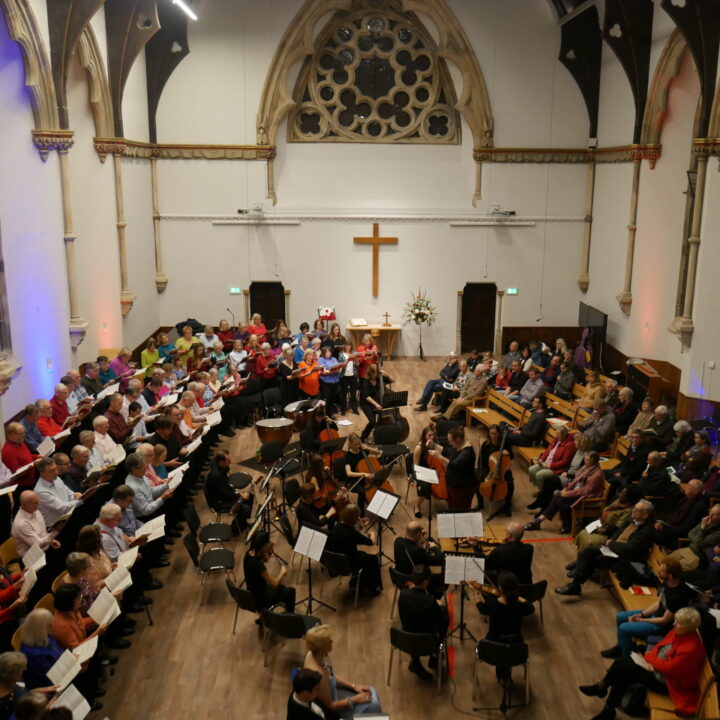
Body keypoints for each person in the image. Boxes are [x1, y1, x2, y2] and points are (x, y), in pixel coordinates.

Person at [579, 607, 705, 720]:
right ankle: (607, 707)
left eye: (679, 623)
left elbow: (668, 668)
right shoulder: (679, 632)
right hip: (656, 669)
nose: (674, 624)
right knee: (624, 672)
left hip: (668, 683)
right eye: (676, 620)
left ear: (689, 627)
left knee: (622, 664)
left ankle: (601, 690)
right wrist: (651, 656)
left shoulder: (690, 648)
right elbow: (660, 645)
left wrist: (650, 659)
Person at [600, 557, 697, 659]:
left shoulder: (678, 596)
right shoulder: (668, 582)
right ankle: (620, 648)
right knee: (620, 616)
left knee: (624, 628)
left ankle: (626, 659)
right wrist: (642, 614)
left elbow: (664, 620)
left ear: (671, 576)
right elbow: (659, 603)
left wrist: (641, 620)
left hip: (660, 627)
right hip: (655, 615)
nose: (659, 571)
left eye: (662, 571)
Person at [555, 500, 655, 596]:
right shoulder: (631, 519)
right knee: (587, 551)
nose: (633, 510)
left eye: (637, 510)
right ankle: (576, 582)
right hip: (614, 549)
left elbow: (629, 549)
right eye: (634, 508)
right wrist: (610, 542)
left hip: (625, 558)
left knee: (595, 559)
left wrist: (611, 544)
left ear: (645, 515)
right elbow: (618, 532)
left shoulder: (645, 532)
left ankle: (577, 577)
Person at [304, 624, 381, 719]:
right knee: (374, 703)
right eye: (329, 641)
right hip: (334, 708)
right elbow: (330, 706)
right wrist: (356, 699)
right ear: (322, 647)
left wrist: (354, 686)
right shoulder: (318, 674)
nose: (332, 641)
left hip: (334, 692)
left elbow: (331, 676)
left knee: (372, 690)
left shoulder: (313, 654)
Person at [524, 450, 604, 534]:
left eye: (587, 460)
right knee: (558, 496)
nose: (585, 461)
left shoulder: (597, 475)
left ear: (593, 461)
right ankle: (543, 522)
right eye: (585, 459)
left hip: (586, 498)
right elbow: (576, 480)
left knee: (560, 499)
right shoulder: (587, 467)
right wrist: (566, 489)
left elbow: (585, 492)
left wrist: (568, 493)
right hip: (577, 492)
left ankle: (542, 522)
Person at [473, 571, 534, 681]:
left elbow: (482, 608)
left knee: (499, 649)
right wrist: (517, 597)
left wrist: (477, 598)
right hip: (516, 647)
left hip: (492, 647)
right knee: (507, 649)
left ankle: (502, 674)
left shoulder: (493, 604)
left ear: (500, 588)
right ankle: (505, 675)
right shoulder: (520, 605)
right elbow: (530, 608)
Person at [398, 565, 449, 681]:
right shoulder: (430, 601)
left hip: (405, 637)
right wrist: (439, 606)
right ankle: (435, 655)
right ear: (425, 581)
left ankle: (415, 661)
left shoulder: (403, 594)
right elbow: (442, 621)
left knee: (413, 621)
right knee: (445, 617)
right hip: (426, 642)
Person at [327, 504, 381, 596]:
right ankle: (374, 588)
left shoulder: (337, 526)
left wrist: (359, 525)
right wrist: (372, 534)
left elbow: (353, 537)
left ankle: (355, 582)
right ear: (354, 519)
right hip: (350, 562)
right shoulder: (351, 533)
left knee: (363, 554)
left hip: (337, 560)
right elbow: (370, 542)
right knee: (373, 559)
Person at [243, 530, 295, 612]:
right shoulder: (258, 565)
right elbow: (274, 584)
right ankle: (289, 618)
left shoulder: (248, 553)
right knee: (290, 591)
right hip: (261, 598)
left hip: (252, 593)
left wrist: (268, 552)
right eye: (268, 543)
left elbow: (264, 559)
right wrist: (282, 572)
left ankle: (265, 617)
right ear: (263, 545)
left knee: (282, 588)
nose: (270, 544)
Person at [429, 426, 476, 511]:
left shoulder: (467, 453)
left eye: (451, 441)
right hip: (453, 485)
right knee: (452, 508)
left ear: (458, 439)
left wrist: (439, 457)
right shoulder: (458, 446)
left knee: (460, 511)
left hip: (462, 489)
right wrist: (434, 444)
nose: (450, 443)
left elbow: (453, 465)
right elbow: (446, 451)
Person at [206, 451, 253, 533]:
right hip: (218, 502)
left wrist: (236, 493)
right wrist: (239, 494)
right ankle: (235, 528)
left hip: (223, 494)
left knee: (250, 496)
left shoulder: (222, 466)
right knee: (245, 508)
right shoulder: (216, 475)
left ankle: (242, 523)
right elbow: (223, 493)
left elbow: (225, 487)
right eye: (228, 461)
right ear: (221, 462)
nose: (230, 462)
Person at [393, 522, 444, 595]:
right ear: (418, 534)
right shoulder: (417, 551)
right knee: (443, 578)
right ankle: (432, 599)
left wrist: (419, 538)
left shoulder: (397, 540)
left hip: (399, 578)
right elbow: (439, 560)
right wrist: (434, 547)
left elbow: (409, 544)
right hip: (413, 581)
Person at [34, 457, 84, 529]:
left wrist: (75, 495)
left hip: (68, 519)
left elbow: (67, 491)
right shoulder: (40, 491)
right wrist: (81, 499)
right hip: (56, 528)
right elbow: (62, 508)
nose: (56, 473)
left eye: (55, 469)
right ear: (42, 473)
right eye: (52, 471)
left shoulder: (56, 478)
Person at [477, 423, 514, 516]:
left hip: (502, 469)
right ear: (489, 434)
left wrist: (508, 453)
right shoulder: (486, 445)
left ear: (499, 434)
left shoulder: (505, 443)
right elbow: (481, 461)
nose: (493, 436)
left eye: (495, 433)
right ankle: (480, 504)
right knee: (477, 481)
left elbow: (512, 457)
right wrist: (485, 473)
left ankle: (507, 505)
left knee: (510, 484)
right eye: (491, 434)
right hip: (489, 469)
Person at [526, 425, 575, 494]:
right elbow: (548, 451)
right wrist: (541, 460)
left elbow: (564, 462)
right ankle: (540, 488)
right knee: (531, 469)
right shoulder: (555, 439)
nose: (556, 436)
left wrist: (550, 466)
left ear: (564, 435)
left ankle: (542, 492)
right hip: (546, 463)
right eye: (556, 434)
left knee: (540, 475)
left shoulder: (569, 445)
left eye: (558, 435)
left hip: (555, 468)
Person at [11, 491, 61, 558]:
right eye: (35, 502)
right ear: (24, 505)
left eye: (38, 500)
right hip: (33, 559)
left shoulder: (34, 510)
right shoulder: (21, 524)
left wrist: (50, 541)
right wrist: (57, 530)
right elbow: (38, 545)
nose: (38, 503)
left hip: (44, 549)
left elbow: (41, 532)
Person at [409, 425, 441, 518]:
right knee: (425, 486)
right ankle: (417, 506)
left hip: (432, 469)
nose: (432, 437)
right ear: (424, 436)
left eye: (433, 435)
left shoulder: (435, 445)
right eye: (429, 435)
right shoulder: (419, 448)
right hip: (420, 470)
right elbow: (416, 466)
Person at [358, 364, 382, 442]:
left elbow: (392, 381)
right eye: (374, 373)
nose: (376, 374)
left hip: (377, 401)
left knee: (381, 420)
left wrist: (387, 374)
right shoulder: (366, 382)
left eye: (377, 373)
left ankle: (380, 435)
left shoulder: (379, 379)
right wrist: (376, 404)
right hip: (366, 404)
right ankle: (363, 436)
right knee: (372, 422)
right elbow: (367, 396)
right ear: (370, 373)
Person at [318, 347, 340, 416]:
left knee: (332, 399)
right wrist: (333, 371)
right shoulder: (321, 360)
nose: (329, 353)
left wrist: (339, 369)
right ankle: (326, 415)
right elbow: (323, 372)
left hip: (335, 382)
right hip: (326, 382)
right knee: (327, 399)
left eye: (329, 352)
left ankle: (331, 413)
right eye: (327, 352)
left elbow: (339, 367)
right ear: (324, 353)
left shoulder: (334, 359)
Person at [338, 342, 359, 415]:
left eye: (349, 345)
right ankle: (343, 409)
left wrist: (356, 359)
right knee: (344, 393)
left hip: (353, 375)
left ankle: (354, 409)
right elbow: (340, 365)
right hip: (344, 376)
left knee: (353, 393)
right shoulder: (341, 354)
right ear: (344, 346)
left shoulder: (354, 353)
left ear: (351, 346)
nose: (348, 347)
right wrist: (347, 360)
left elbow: (357, 364)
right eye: (346, 345)